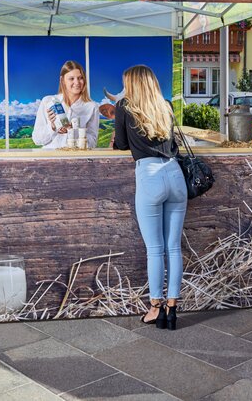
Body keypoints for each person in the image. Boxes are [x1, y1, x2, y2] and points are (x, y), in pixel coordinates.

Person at [113, 65, 187, 330]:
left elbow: (121, 143)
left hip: (150, 177)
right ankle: (172, 309)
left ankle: (155, 308)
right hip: (175, 176)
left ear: (132, 84)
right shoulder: (165, 105)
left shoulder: (124, 106)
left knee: (155, 249)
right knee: (174, 248)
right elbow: (174, 145)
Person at [32, 60, 99, 150]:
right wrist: (53, 127)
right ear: (62, 80)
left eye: (80, 78)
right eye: (71, 78)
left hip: (76, 160)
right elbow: (37, 140)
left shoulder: (92, 107)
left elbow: (92, 143)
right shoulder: (48, 102)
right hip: (50, 159)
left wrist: (73, 130)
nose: (77, 82)